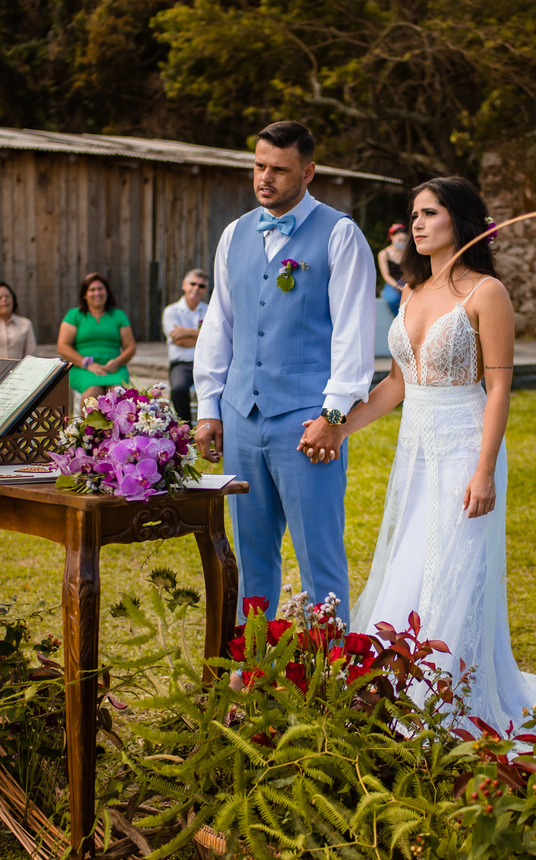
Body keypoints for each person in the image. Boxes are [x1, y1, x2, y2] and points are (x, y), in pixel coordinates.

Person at [338, 177, 536, 733]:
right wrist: (341, 429)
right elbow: (396, 383)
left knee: (456, 571)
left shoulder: (486, 293)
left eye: (429, 213)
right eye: (413, 215)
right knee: (409, 561)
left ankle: (448, 702)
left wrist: (484, 469)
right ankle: (392, 686)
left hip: (465, 446)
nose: (417, 224)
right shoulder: (410, 291)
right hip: (415, 451)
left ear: (461, 219)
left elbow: (498, 388)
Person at [194, 120, 374, 623]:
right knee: (249, 558)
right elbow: (220, 324)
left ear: (308, 172)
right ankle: (252, 660)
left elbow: (354, 335)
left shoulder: (340, 234)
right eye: (258, 166)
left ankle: (330, 665)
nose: (264, 178)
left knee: (320, 558)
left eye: (279, 169)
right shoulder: (234, 234)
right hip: (241, 416)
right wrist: (209, 407)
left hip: (307, 421)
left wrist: (333, 418)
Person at [58, 273, 136, 399]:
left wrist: (118, 362)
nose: (97, 293)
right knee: (93, 393)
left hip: (114, 368)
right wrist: (86, 364)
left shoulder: (118, 315)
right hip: (82, 368)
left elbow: (130, 346)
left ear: (107, 292)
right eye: (92, 290)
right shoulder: (74, 316)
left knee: (117, 393)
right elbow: (62, 347)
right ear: (85, 294)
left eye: (100, 289)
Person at [161, 269, 210, 424]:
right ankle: (186, 429)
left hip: (206, 361)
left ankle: (210, 426)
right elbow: (177, 340)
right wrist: (203, 335)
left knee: (217, 389)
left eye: (201, 286)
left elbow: (215, 338)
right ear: (184, 285)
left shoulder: (210, 310)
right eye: (193, 283)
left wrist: (185, 332)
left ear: (206, 290)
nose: (196, 288)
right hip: (181, 364)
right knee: (178, 389)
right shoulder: (171, 311)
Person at [377, 222, 407, 317]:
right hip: (392, 284)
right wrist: (398, 287)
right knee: (393, 299)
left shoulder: (407, 253)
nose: (402, 243)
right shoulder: (384, 254)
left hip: (407, 282)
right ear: (392, 237)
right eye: (400, 240)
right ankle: (398, 319)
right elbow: (386, 275)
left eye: (404, 240)